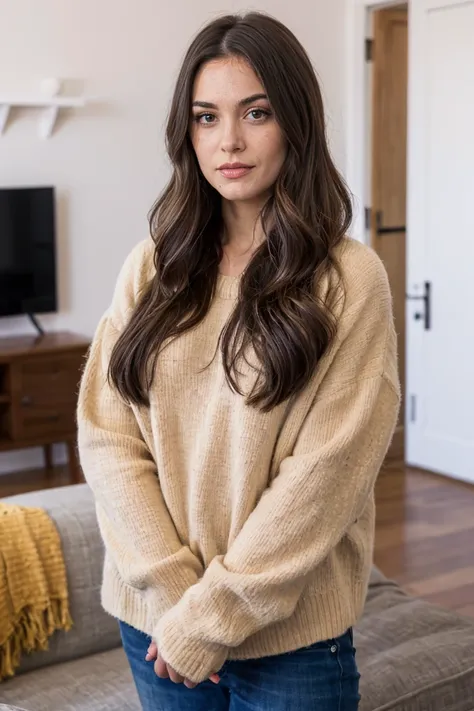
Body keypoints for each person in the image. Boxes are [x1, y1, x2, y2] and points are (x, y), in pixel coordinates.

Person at [77, 11, 400, 711]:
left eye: (255, 112)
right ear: (185, 131)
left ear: (296, 120)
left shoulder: (349, 281)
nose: (228, 141)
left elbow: (325, 478)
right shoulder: (152, 266)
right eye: (205, 117)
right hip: (155, 625)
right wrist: (174, 602)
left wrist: (212, 616)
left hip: (291, 638)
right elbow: (108, 436)